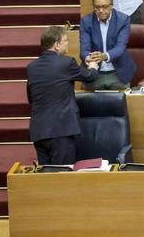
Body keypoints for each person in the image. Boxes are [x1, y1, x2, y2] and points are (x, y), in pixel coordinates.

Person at [26, 26, 99, 164]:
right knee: (62, 176)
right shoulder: (66, 62)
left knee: (46, 177)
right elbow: (89, 77)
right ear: (57, 44)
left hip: (39, 131)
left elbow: (31, 97)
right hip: (60, 130)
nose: (67, 44)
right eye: (65, 41)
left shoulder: (31, 67)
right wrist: (93, 66)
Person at [79, 0, 136, 90]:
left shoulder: (123, 20)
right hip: (94, 74)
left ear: (111, 6)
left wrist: (104, 56)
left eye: (104, 6)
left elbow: (120, 47)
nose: (101, 10)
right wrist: (88, 58)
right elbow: (84, 49)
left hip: (118, 74)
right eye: (97, 7)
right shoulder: (86, 22)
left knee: (121, 105)